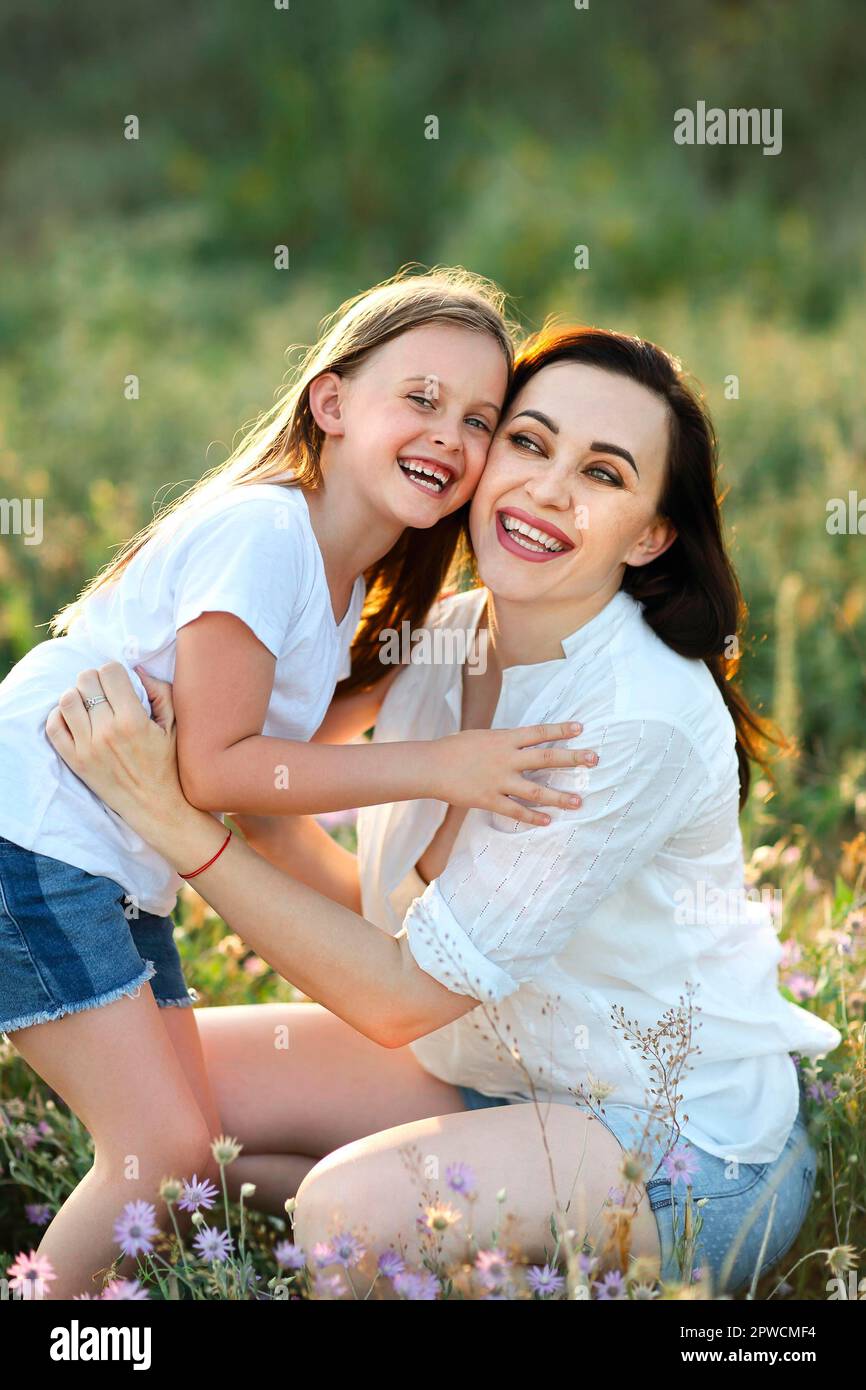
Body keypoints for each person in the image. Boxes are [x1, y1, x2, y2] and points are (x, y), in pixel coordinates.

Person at [45, 326, 841, 1297]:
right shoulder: (447, 638)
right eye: (528, 442)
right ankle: (303, 1203)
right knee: (164, 1095)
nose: (548, 488)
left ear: (648, 534)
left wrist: (172, 824)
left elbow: (397, 996)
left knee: (349, 1211)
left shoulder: (631, 718)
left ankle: (332, 1212)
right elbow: (322, 857)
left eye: (600, 472)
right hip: (488, 1067)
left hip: (673, 1145)